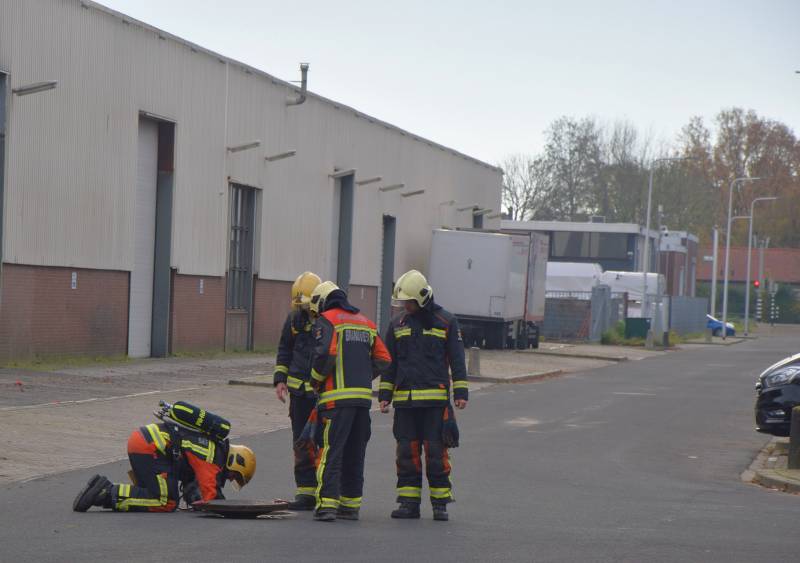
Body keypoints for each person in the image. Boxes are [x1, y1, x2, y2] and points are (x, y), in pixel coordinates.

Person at [378, 270, 468, 522]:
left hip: (435, 404)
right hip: (405, 404)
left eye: (409, 302)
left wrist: (461, 392)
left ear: (421, 299)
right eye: (403, 302)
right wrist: (385, 393)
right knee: (406, 453)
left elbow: (457, 360)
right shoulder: (397, 324)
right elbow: (389, 363)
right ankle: (409, 503)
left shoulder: (446, 321)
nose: (405, 306)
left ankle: (440, 504)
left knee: (436, 454)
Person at [73, 402, 256, 513]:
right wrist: (231, 509)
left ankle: (104, 490)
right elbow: (212, 496)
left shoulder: (210, 446)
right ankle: (106, 493)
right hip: (150, 447)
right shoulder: (213, 456)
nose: (231, 478)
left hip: (146, 443)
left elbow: (193, 484)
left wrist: (195, 498)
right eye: (235, 475)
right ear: (235, 461)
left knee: (158, 495)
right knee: (165, 501)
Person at [308, 281, 391, 521]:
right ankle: (350, 505)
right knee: (356, 453)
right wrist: (366, 375)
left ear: (323, 301)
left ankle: (326, 505)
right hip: (363, 401)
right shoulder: (366, 322)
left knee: (331, 451)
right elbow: (384, 359)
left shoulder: (328, 319)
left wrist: (315, 380)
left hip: (336, 401)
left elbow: (326, 353)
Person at [273, 271, 322, 510]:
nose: (304, 309)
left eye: (306, 305)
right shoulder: (294, 320)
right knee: (301, 443)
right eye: (300, 305)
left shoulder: (327, 321)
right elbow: (284, 350)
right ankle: (306, 493)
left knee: (322, 443)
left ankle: (326, 491)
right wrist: (280, 379)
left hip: (321, 395)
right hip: (299, 396)